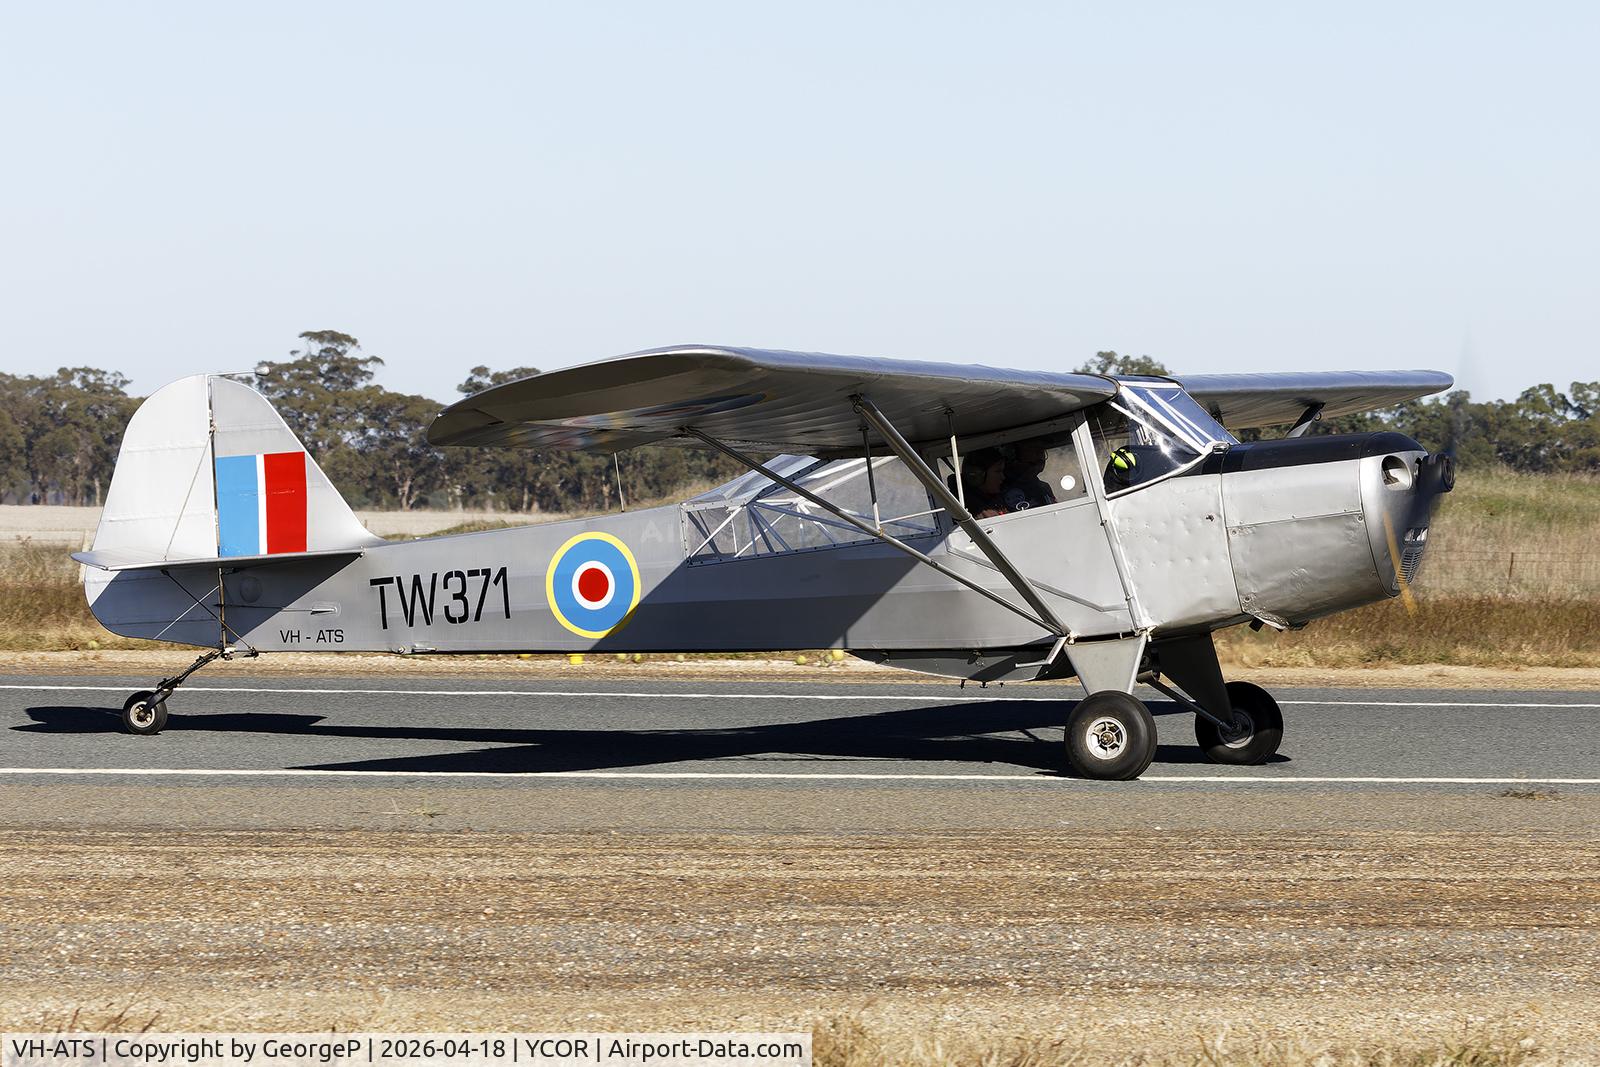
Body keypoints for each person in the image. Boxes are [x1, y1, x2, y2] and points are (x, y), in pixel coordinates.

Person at [1002, 441, 1056, 511]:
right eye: (1035, 449)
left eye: (1041, 450)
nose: (1040, 453)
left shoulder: (1044, 487)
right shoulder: (1004, 489)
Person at [959, 448, 1008, 518]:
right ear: (978, 475)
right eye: (998, 471)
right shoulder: (977, 513)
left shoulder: (999, 497)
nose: (1003, 477)